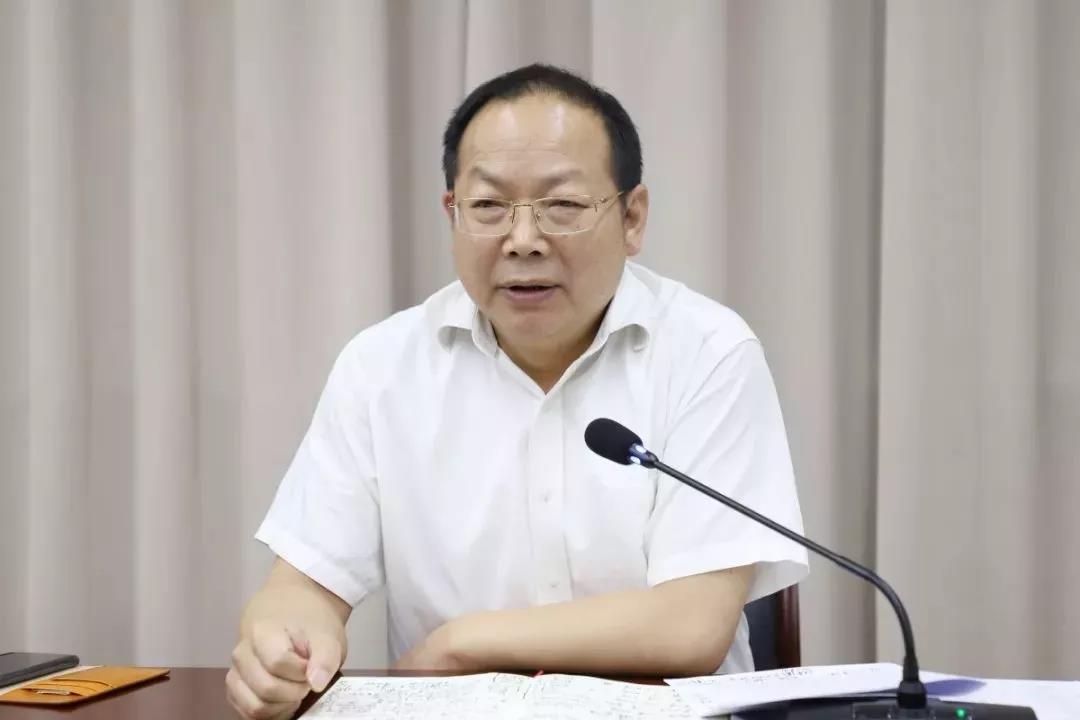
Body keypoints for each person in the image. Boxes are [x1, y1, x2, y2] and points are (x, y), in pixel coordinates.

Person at [225, 63, 807, 720]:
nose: (523, 241)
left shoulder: (708, 352)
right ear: (453, 214)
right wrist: (282, 643)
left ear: (632, 218)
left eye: (562, 206)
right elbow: (302, 587)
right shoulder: (381, 367)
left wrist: (462, 642)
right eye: (488, 207)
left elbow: (691, 626)